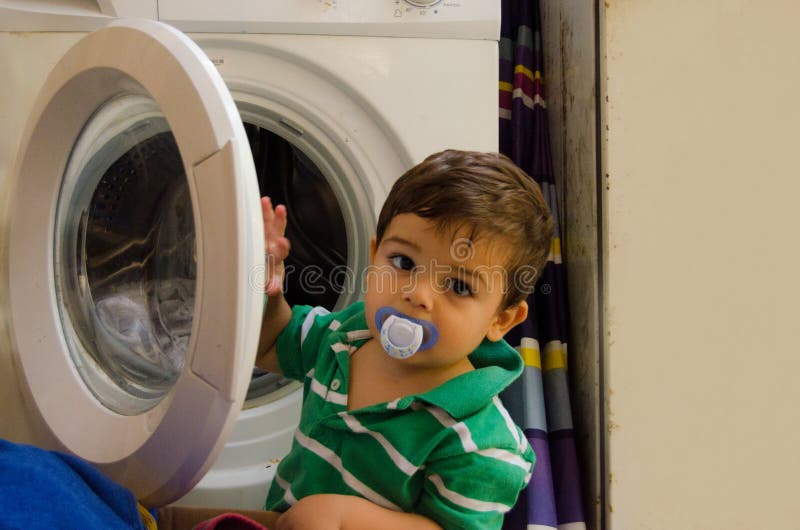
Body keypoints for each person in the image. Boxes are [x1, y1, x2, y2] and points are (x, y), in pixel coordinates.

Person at [256, 150, 555, 530]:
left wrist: (345, 519)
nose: (417, 294)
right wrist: (265, 289)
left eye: (458, 286)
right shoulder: (343, 336)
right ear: (374, 256)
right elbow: (269, 344)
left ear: (501, 320)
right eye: (404, 263)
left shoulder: (480, 440)